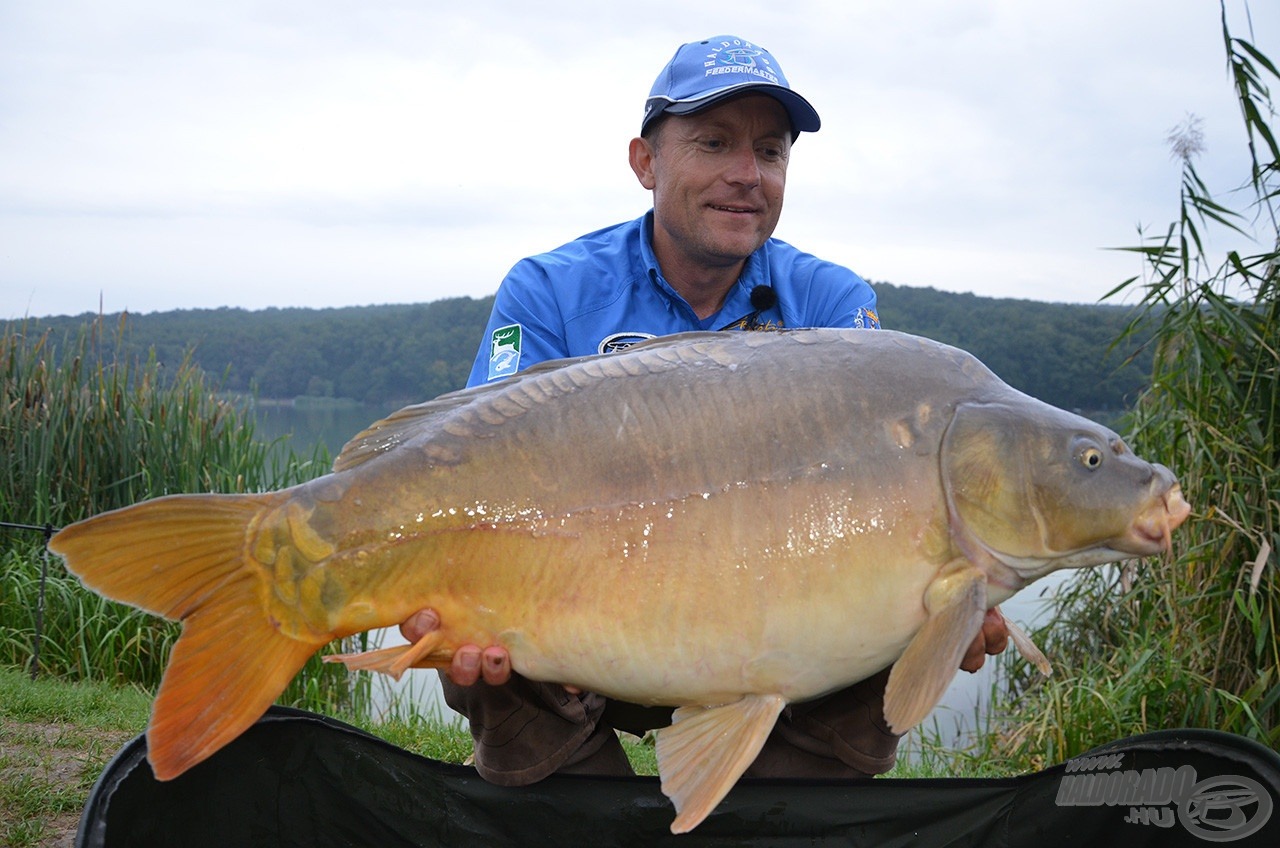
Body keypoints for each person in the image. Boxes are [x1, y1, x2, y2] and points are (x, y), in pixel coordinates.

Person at [400, 34, 1010, 786]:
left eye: (771, 151)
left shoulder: (831, 305)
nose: (746, 175)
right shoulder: (549, 290)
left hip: (768, 626)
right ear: (645, 162)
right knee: (477, 654)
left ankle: (761, 821)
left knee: (893, 628)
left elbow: (885, 490)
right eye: (714, 143)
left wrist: (949, 599)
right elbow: (471, 468)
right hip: (589, 623)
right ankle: (584, 822)